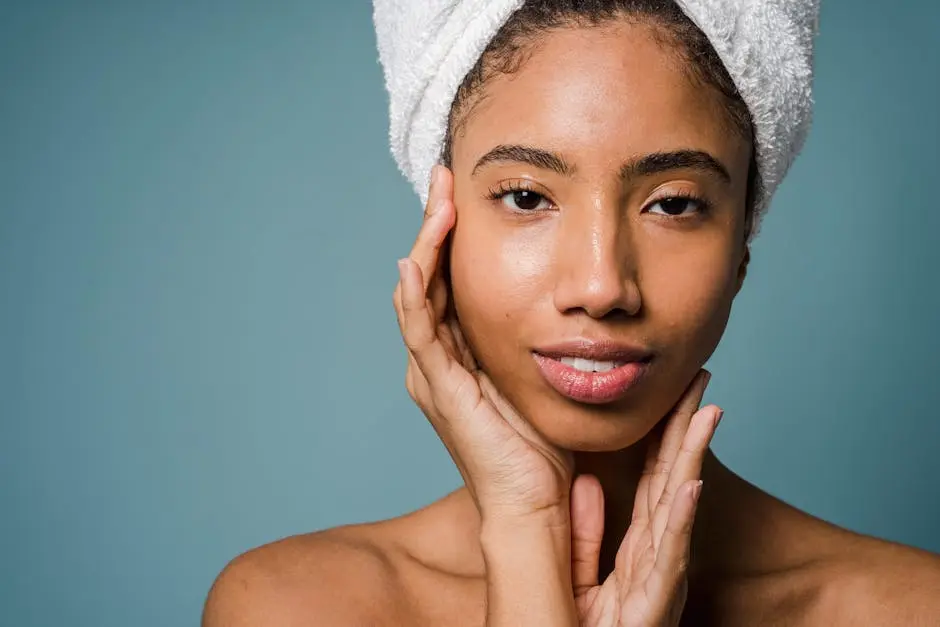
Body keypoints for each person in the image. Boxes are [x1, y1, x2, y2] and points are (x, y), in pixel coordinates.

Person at [202, 1, 940, 624]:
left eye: (673, 203)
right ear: (442, 228)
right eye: (526, 196)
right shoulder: (293, 605)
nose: (600, 284)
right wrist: (525, 535)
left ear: (743, 242)